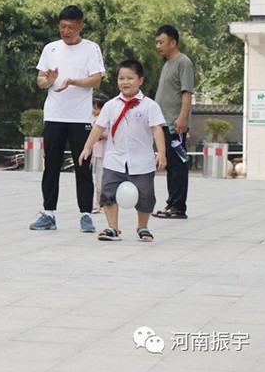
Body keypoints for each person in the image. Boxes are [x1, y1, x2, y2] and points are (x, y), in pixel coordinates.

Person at [30, 5, 105, 232]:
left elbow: (96, 80)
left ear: (81, 26)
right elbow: (40, 81)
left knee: (82, 165)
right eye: (62, 26)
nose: (66, 31)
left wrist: (73, 81)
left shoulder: (91, 49)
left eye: (71, 27)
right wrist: (49, 80)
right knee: (51, 165)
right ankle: (49, 214)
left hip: (79, 117)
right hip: (54, 115)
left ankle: (86, 215)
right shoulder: (50, 49)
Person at [78, 60, 167, 242]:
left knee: (145, 195)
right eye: (121, 78)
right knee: (108, 193)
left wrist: (162, 153)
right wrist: (87, 147)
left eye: (130, 78)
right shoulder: (111, 105)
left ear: (140, 80)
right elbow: (98, 127)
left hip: (142, 161)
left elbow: (157, 129)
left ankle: (143, 227)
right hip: (114, 159)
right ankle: (112, 228)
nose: (125, 82)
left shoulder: (150, 105)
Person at [152, 25, 194, 220]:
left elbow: (187, 93)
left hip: (175, 125)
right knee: (170, 165)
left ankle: (178, 207)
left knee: (178, 166)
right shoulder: (168, 63)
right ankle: (172, 203)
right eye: (157, 42)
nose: (158, 46)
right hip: (164, 123)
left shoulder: (183, 62)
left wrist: (182, 118)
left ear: (173, 42)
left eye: (161, 42)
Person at [90, 93, 109, 214]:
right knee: (94, 179)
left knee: (100, 179)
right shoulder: (89, 118)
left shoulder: (107, 120)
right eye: (94, 108)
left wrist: (100, 135)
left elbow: (109, 134)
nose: (95, 111)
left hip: (104, 153)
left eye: (98, 108)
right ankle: (96, 203)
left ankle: (100, 203)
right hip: (93, 153)